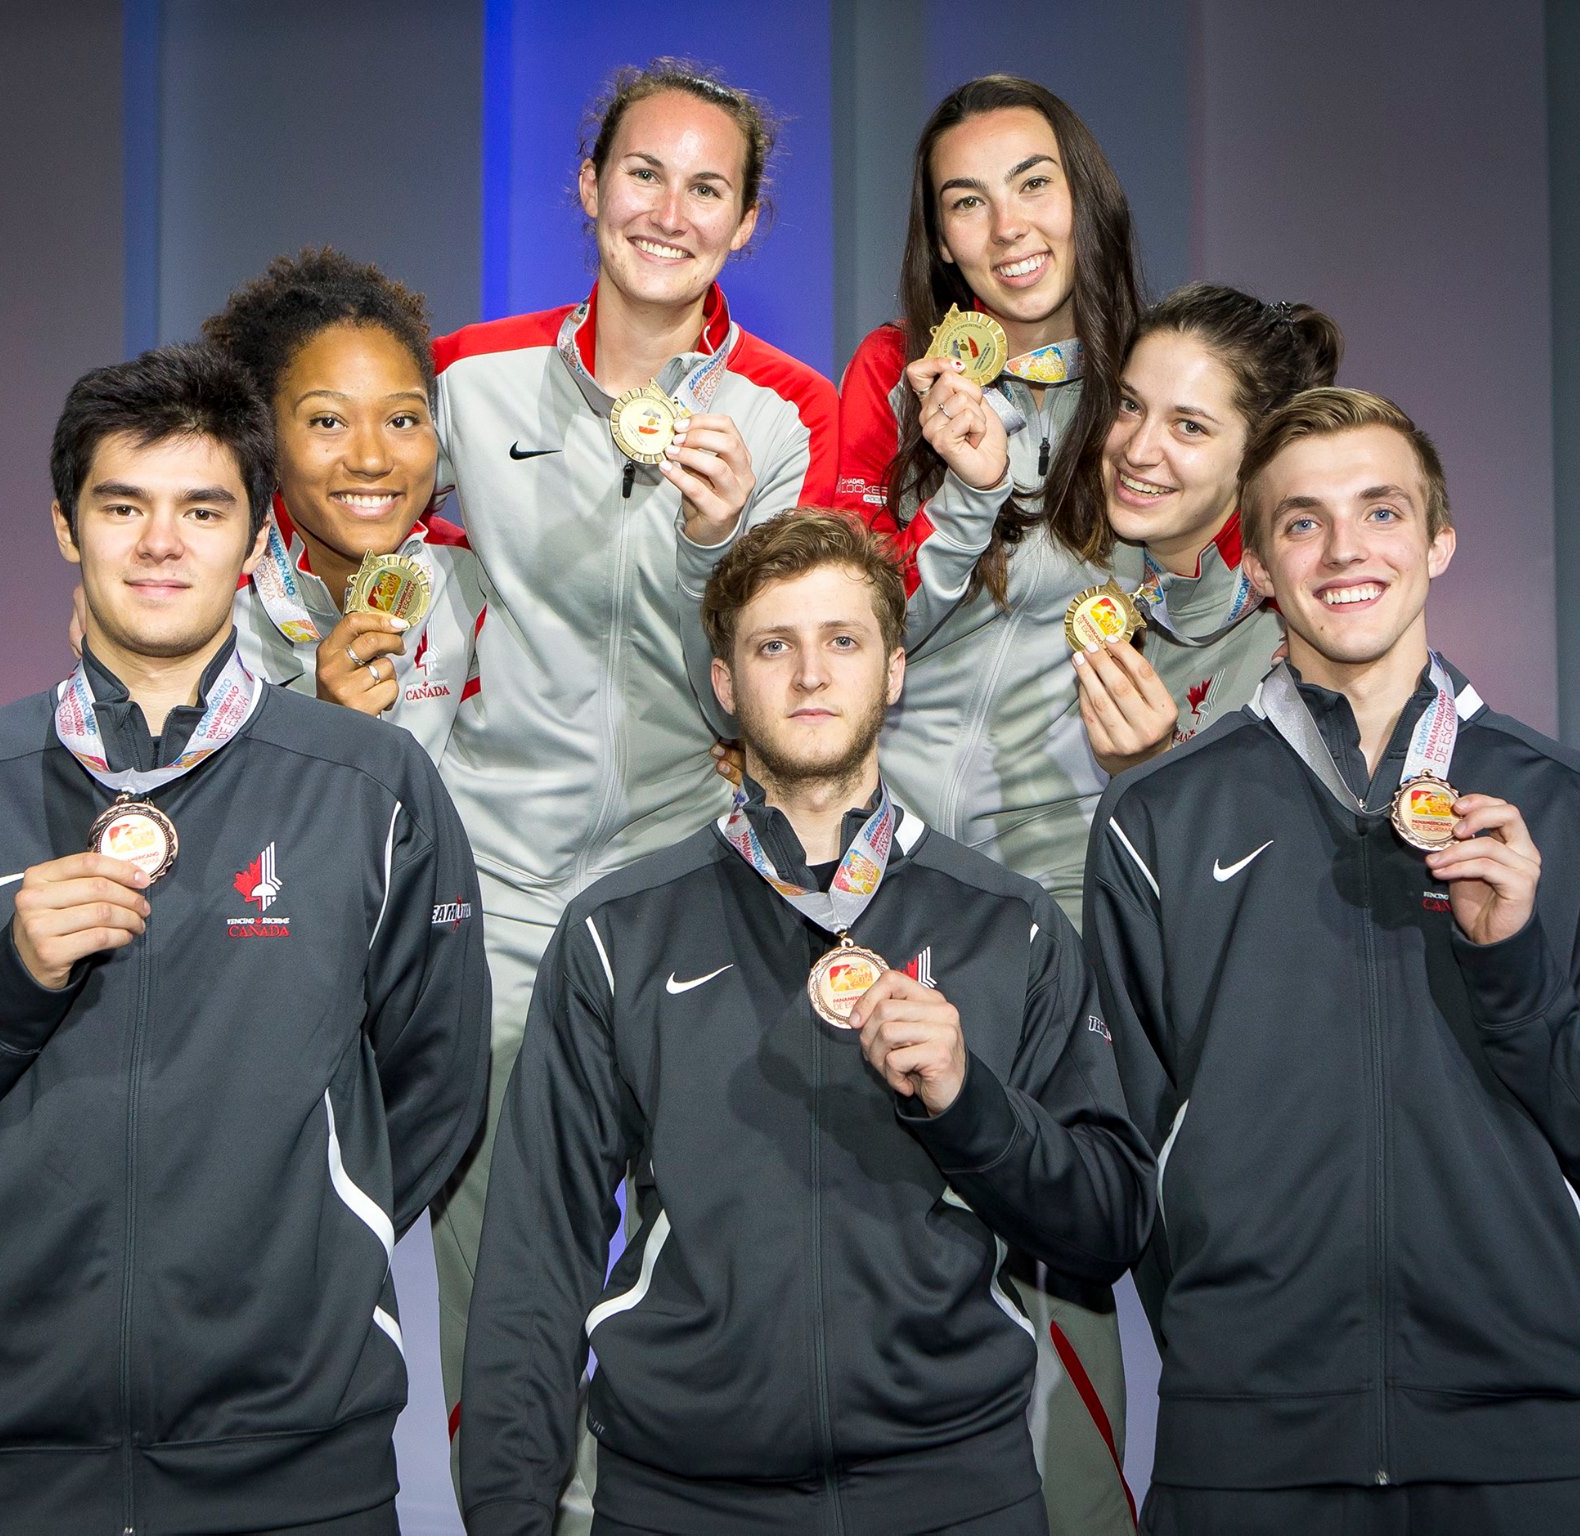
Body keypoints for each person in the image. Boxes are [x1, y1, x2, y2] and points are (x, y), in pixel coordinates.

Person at [0, 345, 491, 1536]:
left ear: (252, 534)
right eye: (123, 506)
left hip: (295, 1457)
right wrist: (5, 985)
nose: (161, 543)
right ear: (69, 528)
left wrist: (309, 1248)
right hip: (2, 1459)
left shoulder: (369, 783)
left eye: (202, 509)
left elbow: (436, 1087)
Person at [459, 511, 1153, 1536]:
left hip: (954, 1498)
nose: (810, 675)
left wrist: (971, 1105)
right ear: (726, 685)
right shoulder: (619, 931)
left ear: (895, 672)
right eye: (772, 646)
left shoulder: (1008, 924)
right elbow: (533, 1262)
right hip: (680, 1503)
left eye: (842, 641)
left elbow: (1105, 1229)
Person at [1085, 388, 1580, 1536]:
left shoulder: (1573, 810)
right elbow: (1125, 1152)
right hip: (1245, 1450)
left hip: (1518, 1447)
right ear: (1259, 566)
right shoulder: (1156, 818)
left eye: (1380, 511)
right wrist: (1241, 1361)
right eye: (1301, 522)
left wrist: (1510, 959)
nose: (1344, 551)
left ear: (1437, 541)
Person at [424, 58, 838, 1500]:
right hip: (494, 890)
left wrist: (719, 546)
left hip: (692, 883)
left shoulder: (791, 415)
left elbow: (790, 670)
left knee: (704, 1261)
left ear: (744, 224)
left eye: (705, 188)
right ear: (588, 188)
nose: (668, 210)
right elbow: (382, 580)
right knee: (495, 1274)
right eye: (641, 174)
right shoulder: (466, 379)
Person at [831, 74, 1147, 1528]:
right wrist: (965, 489)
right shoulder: (890, 374)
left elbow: (1220, 610)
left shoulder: (1152, 378)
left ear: (1084, 194)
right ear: (938, 240)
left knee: (1068, 1246)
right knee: (892, 1237)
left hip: (1089, 880)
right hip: (905, 880)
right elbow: (857, 622)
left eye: (1032, 182)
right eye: (966, 199)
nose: (1005, 225)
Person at [206, 246, 481, 758]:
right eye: (328, 421)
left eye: (402, 420)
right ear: (264, 435)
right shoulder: (208, 604)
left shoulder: (475, 584)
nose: (373, 460)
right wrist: (324, 743)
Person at [1098, 282, 1341, 748]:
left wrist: (1150, 770)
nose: (1138, 449)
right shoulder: (1051, 555)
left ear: (1259, 451)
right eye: (1130, 405)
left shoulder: (1299, 636)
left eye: (1189, 427)